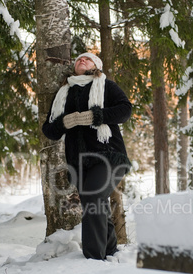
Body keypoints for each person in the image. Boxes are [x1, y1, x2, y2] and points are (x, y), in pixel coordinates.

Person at [42, 52, 132, 260]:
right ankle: (110, 251)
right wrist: (64, 123)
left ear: (96, 66)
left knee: (93, 196)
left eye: (88, 59)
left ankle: (93, 258)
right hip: (79, 162)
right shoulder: (63, 94)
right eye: (79, 59)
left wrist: (95, 116)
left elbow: (125, 110)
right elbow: (49, 130)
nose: (82, 60)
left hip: (109, 156)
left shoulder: (105, 85)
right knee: (95, 203)